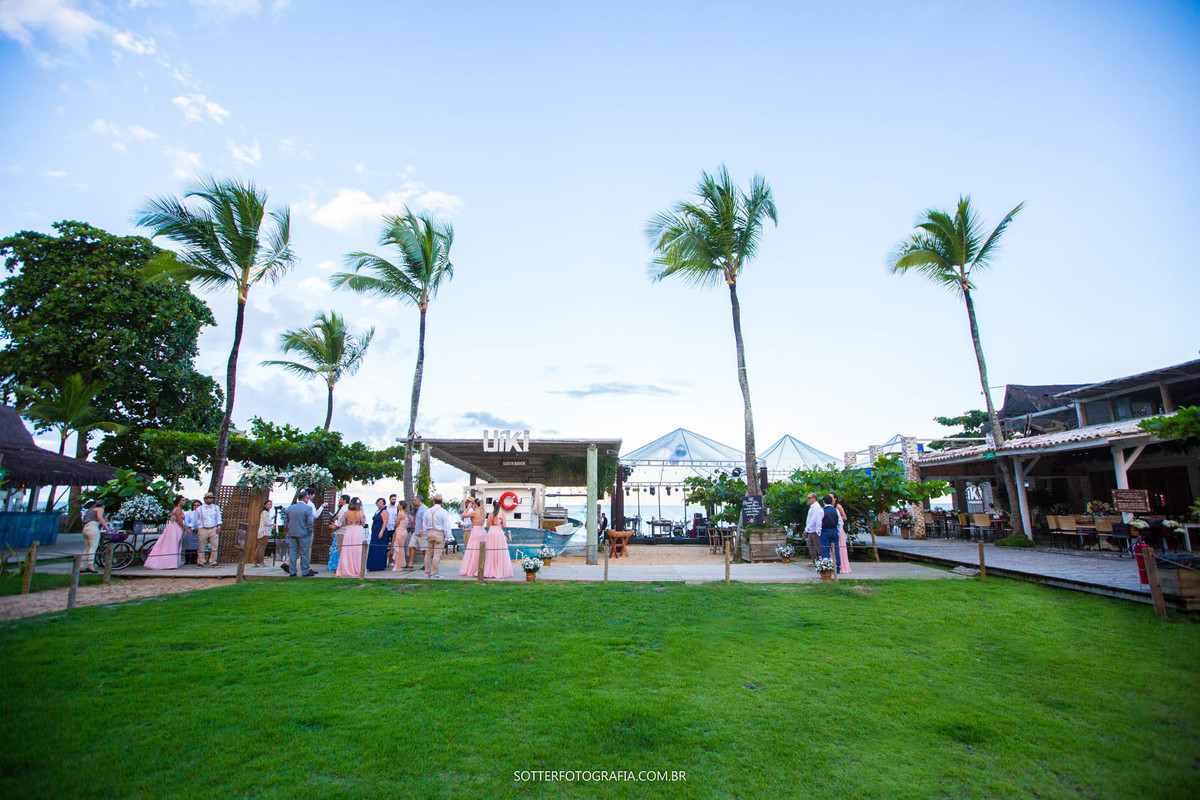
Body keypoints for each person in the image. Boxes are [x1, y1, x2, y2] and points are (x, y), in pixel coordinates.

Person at [144, 495, 187, 570]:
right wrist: (185, 528)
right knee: (173, 543)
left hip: (174, 527)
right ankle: (170, 562)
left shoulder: (177, 509)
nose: (184, 502)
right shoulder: (177, 509)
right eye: (183, 500)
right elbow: (179, 520)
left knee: (174, 543)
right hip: (175, 527)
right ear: (179, 501)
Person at [282, 490, 317, 577]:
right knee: (304, 552)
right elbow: (310, 522)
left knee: (293, 552)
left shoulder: (290, 508)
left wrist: (288, 530)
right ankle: (305, 570)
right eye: (307, 498)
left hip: (292, 532)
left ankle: (292, 571)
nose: (308, 500)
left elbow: (286, 521)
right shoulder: (308, 508)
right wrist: (309, 531)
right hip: (304, 533)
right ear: (304, 498)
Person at [335, 498, 368, 578]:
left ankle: (347, 568)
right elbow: (363, 524)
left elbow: (342, 523)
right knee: (357, 549)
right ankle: (358, 568)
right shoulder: (361, 513)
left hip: (349, 531)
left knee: (347, 550)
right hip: (357, 531)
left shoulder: (346, 513)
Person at [483, 498, 514, 579]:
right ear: (500, 505)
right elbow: (504, 525)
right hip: (498, 532)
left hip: (491, 532)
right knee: (500, 551)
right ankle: (499, 570)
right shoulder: (502, 514)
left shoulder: (490, 514)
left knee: (490, 551)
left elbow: (487, 525)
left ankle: (490, 570)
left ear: (493, 505)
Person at [423, 494, 451, 579]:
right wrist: (448, 537)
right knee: (437, 553)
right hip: (439, 533)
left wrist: (425, 534)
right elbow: (447, 525)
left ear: (434, 501)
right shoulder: (443, 512)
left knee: (428, 553)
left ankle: (427, 571)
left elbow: (424, 524)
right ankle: (435, 573)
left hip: (430, 532)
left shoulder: (428, 511)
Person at [458, 498, 486, 577]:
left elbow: (463, 515)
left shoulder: (475, 512)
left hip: (475, 531)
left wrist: (468, 508)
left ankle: (472, 568)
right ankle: (479, 568)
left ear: (476, 504)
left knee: (473, 550)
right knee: (480, 550)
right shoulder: (483, 513)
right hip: (482, 531)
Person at [80, 501, 110, 574]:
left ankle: (81, 566)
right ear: (103, 505)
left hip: (86, 527)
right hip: (93, 527)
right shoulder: (100, 509)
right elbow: (99, 517)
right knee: (93, 547)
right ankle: (90, 565)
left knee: (87, 548)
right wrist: (106, 526)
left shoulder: (91, 510)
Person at [196, 491, 222, 567]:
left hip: (213, 528)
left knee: (214, 545)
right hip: (203, 529)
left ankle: (213, 561)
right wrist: (196, 527)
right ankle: (201, 561)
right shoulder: (199, 509)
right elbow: (196, 519)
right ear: (205, 499)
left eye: (212, 498)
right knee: (201, 546)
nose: (211, 499)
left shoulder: (216, 507)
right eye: (209, 498)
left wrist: (218, 527)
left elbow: (218, 518)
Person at [327, 494, 350, 572]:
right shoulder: (350, 509)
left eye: (340, 499)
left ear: (344, 500)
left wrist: (333, 529)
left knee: (341, 550)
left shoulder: (343, 510)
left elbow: (340, 523)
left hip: (341, 532)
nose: (339, 501)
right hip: (348, 531)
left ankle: (342, 568)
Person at [831, 492, 852, 575]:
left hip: (838, 529)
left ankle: (841, 565)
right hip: (831, 529)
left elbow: (844, 517)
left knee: (839, 547)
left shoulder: (838, 506)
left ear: (835, 499)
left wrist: (836, 519)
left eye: (831, 497)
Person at [367, 498, 390, 571]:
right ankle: (372, 565)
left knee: (379, 548)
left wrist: (381, 531)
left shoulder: (384, 512)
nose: (379, 503)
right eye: (378, 502)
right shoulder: (377, 511)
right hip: (374, 531)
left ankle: (379, 565)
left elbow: (385, 522)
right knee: (373, 547)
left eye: (381, 502)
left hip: (380, 530)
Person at [820, 493, 840, 572]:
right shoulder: (835, 510)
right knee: (836, 550)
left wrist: (819, 531)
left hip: (825, 531)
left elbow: (819, 522)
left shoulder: (822, 510)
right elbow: (840, 522)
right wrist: (838, 530)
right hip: (834, 531)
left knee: (825, 551)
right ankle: (837, 568)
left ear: (824, 501)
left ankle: (827, 568)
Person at [407, 496, 427, 570]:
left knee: (424, 548)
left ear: (419, 500)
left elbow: (424, 520)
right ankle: (410, 563)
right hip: (416, 531)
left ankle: (426, 564)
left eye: (415, 500)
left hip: (421, 532)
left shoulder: (424, 509)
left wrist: (421, 530)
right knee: (411, 546)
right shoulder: (418, 509)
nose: (413, 502)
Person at [253, 499, 275, 567]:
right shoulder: (264, 512)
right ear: (265, 505)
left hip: (264, 531)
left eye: (270, 504)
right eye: (268, 504)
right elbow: (266, 523)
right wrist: (272, 525)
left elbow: (267, 520)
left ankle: (255, 561)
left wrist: (272, 517)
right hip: (264, 532)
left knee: (260, 547)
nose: (269, 505)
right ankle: (261, 561)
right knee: (262, 547)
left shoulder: (266, 513)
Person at [803, 493, 823, 562]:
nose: (808, 500)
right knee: (810, 544)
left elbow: (813, 519)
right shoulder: (812, 506)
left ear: (814, 498)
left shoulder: (816, 507)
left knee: (817, 545)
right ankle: (814, 559)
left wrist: (807, 528)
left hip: (815, 529)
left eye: (809, 498)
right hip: (811, 529)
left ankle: (822, 559)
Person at [391, 501, 409, 571]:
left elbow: (396, 524)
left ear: (401, 506)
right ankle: (401, 563)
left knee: (398, 548)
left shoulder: (400, 514)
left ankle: (398, 565)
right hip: (403, 531)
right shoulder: (405, 514)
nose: (397, 506)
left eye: (398, 505)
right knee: (401, 548)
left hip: (399, 531)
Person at [182, 500, 201, 565]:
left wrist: (198, 528)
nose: (196, 507)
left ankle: (194, 560)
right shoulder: (189, 513)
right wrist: (193, 528)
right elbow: (186, 522)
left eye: (198, 505)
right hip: (190, 532)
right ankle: (187, 560)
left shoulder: (202, 513)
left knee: (196, 547)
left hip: (198, 532)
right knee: (188, 547)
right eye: (195, 505)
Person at [385, 494, 400, 566]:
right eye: (392, 499)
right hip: (387, 528)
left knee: (393, 545)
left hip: (394, 529)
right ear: (390, 499)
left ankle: (391, 561)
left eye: (395, 499)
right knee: (385, 544)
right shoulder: (386, 508)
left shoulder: (397, 509)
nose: (394, 500)